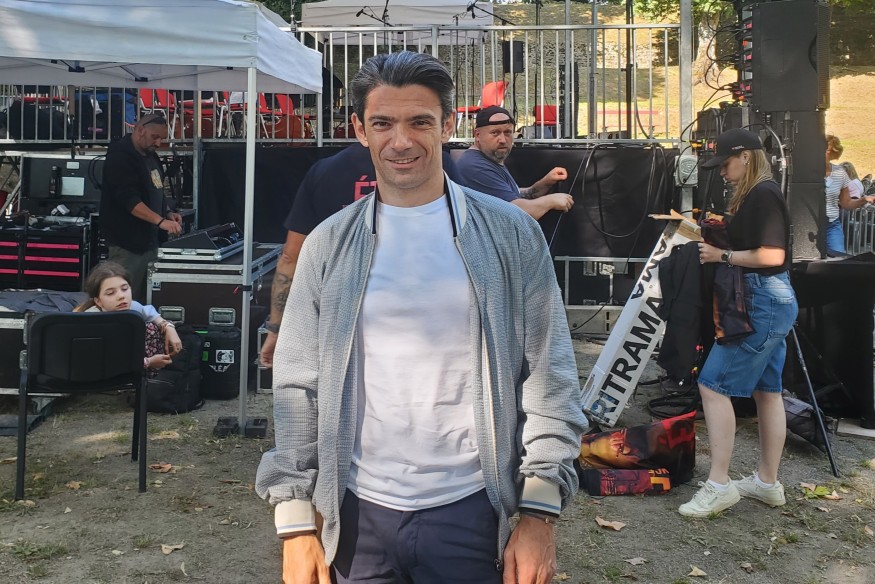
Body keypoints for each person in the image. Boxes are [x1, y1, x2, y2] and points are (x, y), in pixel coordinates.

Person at [255, 51, 587, 584]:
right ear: (360, 130)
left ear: (448, 126)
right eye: (383, 123)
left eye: (420, 122)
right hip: (356, 516)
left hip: (473, 510)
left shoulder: (510, 234)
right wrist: (295, 523)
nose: (401, 141)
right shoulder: (328, 244)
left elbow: (550, 377)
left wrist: (539, 514)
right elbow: (299, 385)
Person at [678, 128, 798, 518]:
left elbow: (771, 255)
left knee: (712, 385)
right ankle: (766, 482)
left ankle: (719, 484)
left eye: (726, 163)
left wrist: (722, 256)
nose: (722, 172)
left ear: (746, 156)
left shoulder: (763, 194)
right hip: (771, 299)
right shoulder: (760, 192)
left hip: (763, 300)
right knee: (768, 391)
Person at [259, 143, 459, 367]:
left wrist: (276, 328)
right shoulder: (436, 162)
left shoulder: (325, 171)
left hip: (341, 323)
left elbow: (291, 256)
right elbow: (464, 239)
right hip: (424, 322)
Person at [99, 113, 183, 302]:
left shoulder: (151, 156)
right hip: (128, 243)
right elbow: (129, 201)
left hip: (149, 241)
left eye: (162, 138)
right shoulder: (120, 156)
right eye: (155, 137)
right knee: (123, 299)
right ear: (140, 130)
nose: (158, 143)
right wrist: (160, 221)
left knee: (145, 300)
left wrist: (167, 213)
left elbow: (156, 189)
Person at [455, 105, 574, 220]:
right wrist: (549, 201)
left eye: (507, 132)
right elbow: (515, 213)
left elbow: (511, 195)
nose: (503, 140)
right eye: (495, 133)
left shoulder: (488, 159)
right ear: (477, 135)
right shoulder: (475, 167)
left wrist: (545, 183)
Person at [75, 261, 182, 370]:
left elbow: (150, 313)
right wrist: (148, 362)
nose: (121, 296)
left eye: (125, 289)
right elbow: (101, 362)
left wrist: (169, 327)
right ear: (98, 301)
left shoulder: (133, 307)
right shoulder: (90, 321)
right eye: (110, 293)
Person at [823, 135, 875, 257]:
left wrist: (864, 199)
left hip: (832, 224)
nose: (823, 153)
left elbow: (846, 203)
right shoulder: (805, 172)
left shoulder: (840, 173)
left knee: (840, 260)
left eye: (828, 150)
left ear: (833, 153)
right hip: (809, 225)